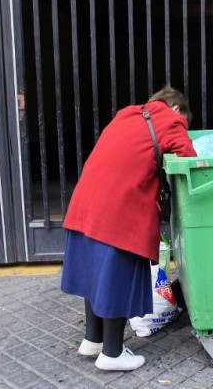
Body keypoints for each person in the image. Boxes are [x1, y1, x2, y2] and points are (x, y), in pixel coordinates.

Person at [61, 86, 197, 371]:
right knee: (116, 278)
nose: (182, 126)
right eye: (184, 120)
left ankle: (93, 340)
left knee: (94, 274)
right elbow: (189, 157)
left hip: (86, 201)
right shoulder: (171, 121)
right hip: (117, 211)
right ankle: (112, 354)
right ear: (175, 110)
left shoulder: (127, 114)